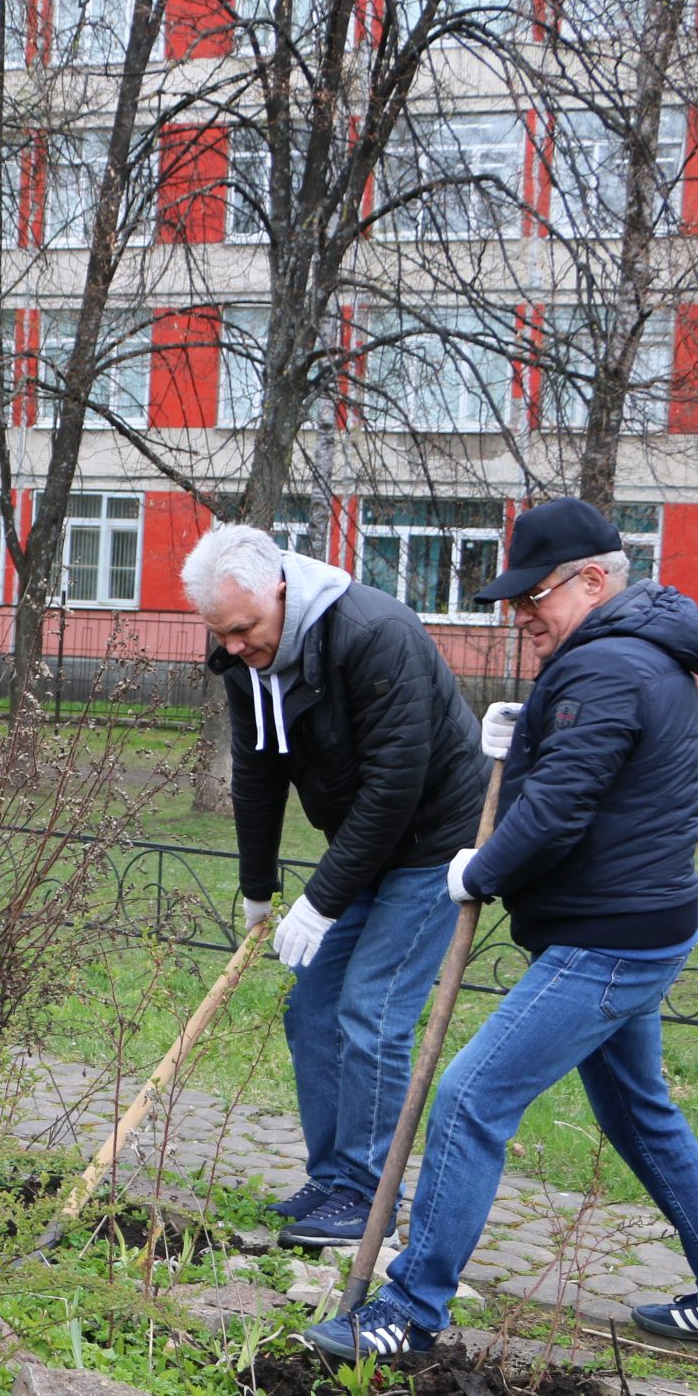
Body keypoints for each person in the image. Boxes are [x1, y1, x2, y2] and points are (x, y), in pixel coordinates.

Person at [305, 498, 698, 1360]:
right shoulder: (630, 658)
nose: (523, 616)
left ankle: (408, 1312)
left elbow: (561, 808)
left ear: (594, 579)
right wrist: (532, 736)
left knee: (469, 1098)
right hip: (637, 921)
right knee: (640, 1113)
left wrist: (476, 870)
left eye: (536, 598)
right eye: (516, 602)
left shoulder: (606, 668)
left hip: (610, 937)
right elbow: (591, 767)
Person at [184, 523, 488, 1249]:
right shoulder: (245, 660)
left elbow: (395, 787)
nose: (233, 646)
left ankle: (366, 1193)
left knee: (372, 1009)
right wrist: (259, 889)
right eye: (220, 633)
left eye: (244, 629)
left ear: (280, 591)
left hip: (435, 843)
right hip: (363, 842)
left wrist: (321, 899)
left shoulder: (374, 634)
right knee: (312, 1002)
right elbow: (256, 774)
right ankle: (332, 1179)